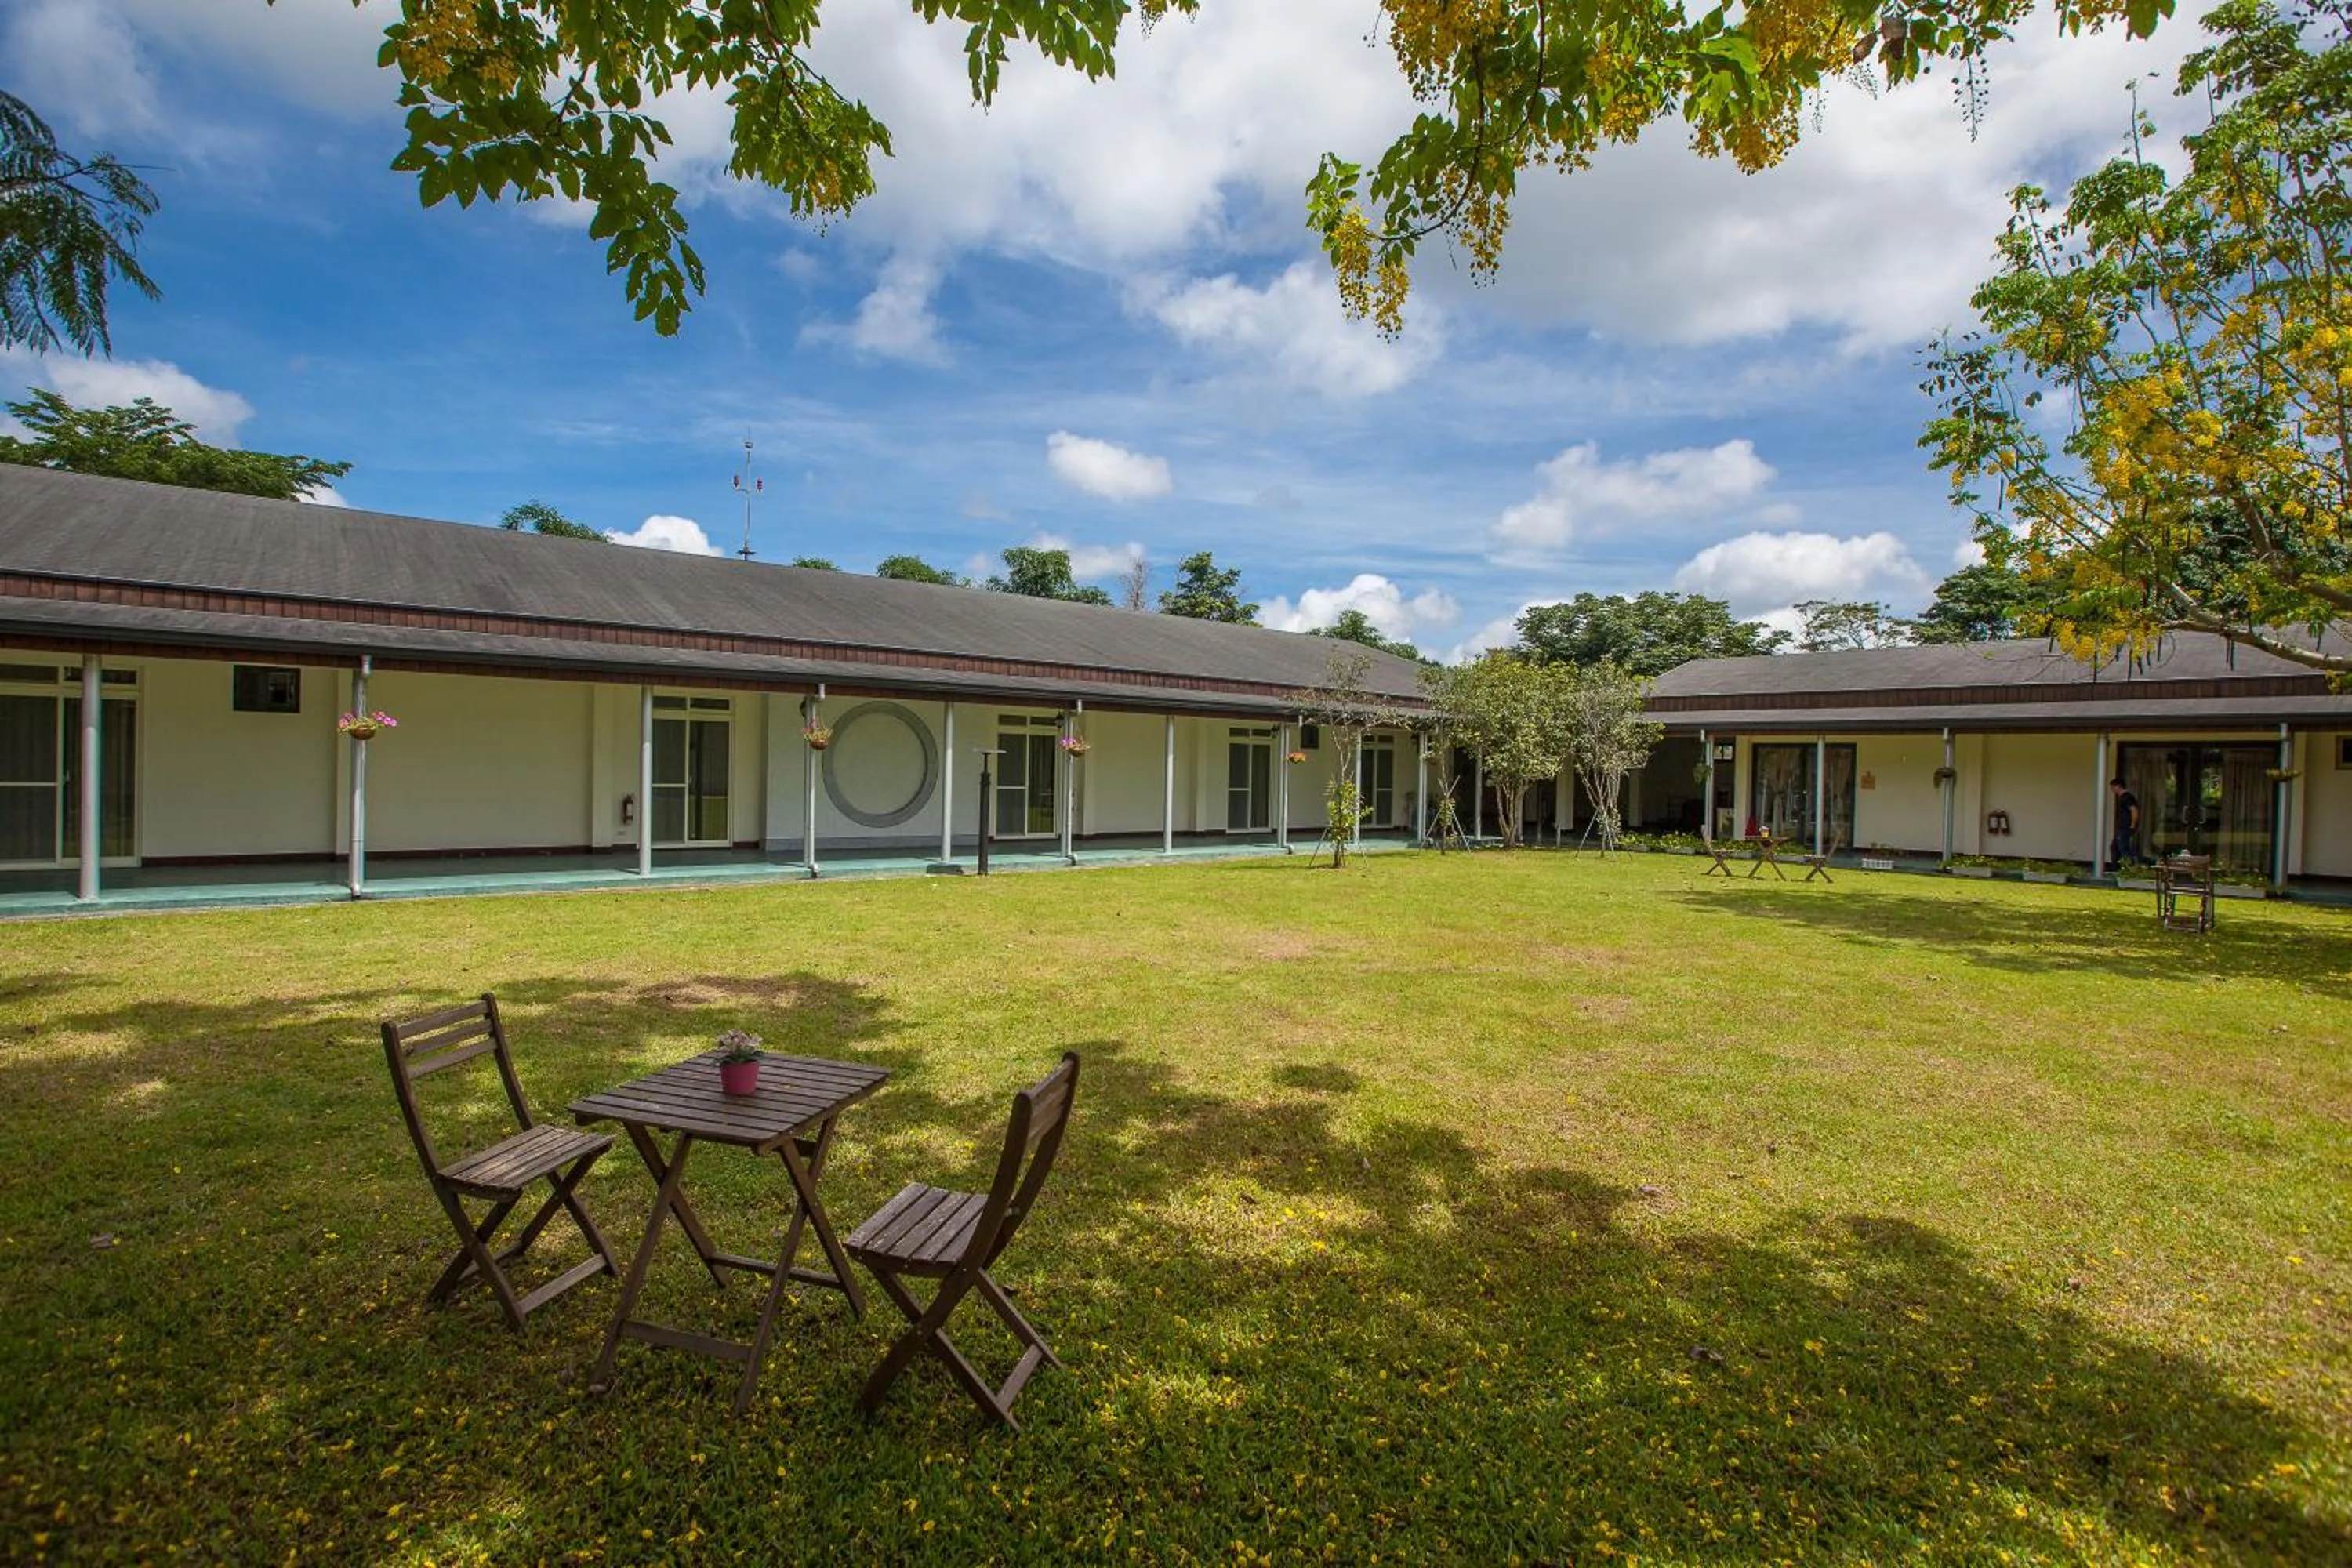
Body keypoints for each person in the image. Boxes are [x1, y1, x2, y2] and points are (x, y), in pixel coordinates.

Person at [2108, 776, 2141, 868]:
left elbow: (2134, 810)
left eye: (2113, 787)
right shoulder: (2122, 798)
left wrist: (2133, 824)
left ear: (2118, 786)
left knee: (2123, 848)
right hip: (2121, 827)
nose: (2112, 790)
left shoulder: (2127, 797)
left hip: (2126, 827)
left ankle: (2129, 867)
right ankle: (2118, 867)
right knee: (2115, 847)